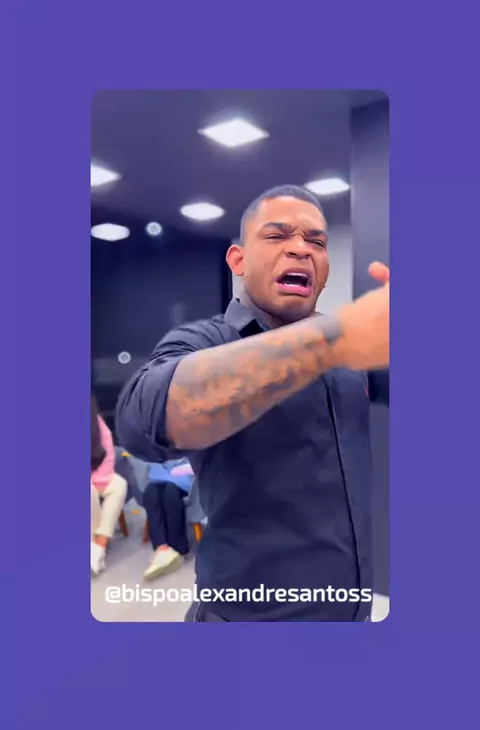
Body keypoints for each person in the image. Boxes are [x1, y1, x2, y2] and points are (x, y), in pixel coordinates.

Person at [116, 185, 389, 622]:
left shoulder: (354, 350)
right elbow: (143, 422)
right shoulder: (206, 341)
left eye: (316, 241)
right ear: (238, 260)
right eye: (277, 236)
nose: (300, 249)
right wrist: (334, 340)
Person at [91, 396, 128, 575]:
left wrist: (100, 479)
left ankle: (99, 546)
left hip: (99, 474)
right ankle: (91, 543)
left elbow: (108, 454)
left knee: (119, 485)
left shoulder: (96, 422)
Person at [143, 459, 194, 579]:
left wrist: (172, 474)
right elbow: (154, 469)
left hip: (186, 482)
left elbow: (193, 467)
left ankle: (178, 549)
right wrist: (171, 474)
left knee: (171, 491)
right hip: (163, 479)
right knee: (151, 491)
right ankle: (162, 548)